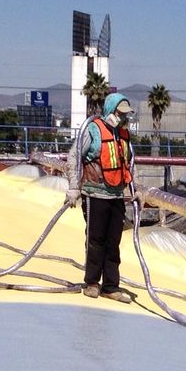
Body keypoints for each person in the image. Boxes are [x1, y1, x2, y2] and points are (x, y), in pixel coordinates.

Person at [66, 92, 138, 302]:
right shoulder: (93, 130)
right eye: (119, 113)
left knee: (113, 242)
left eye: (125, 114)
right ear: (110, 110)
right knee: (95, 240)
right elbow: (74, 156)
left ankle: (110, 286)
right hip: (94, 193)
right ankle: (91, 283)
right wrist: (73, 187)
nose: (123, 117)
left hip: (116, 195)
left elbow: (129, 164)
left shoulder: (123, 135)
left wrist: (137, 190)